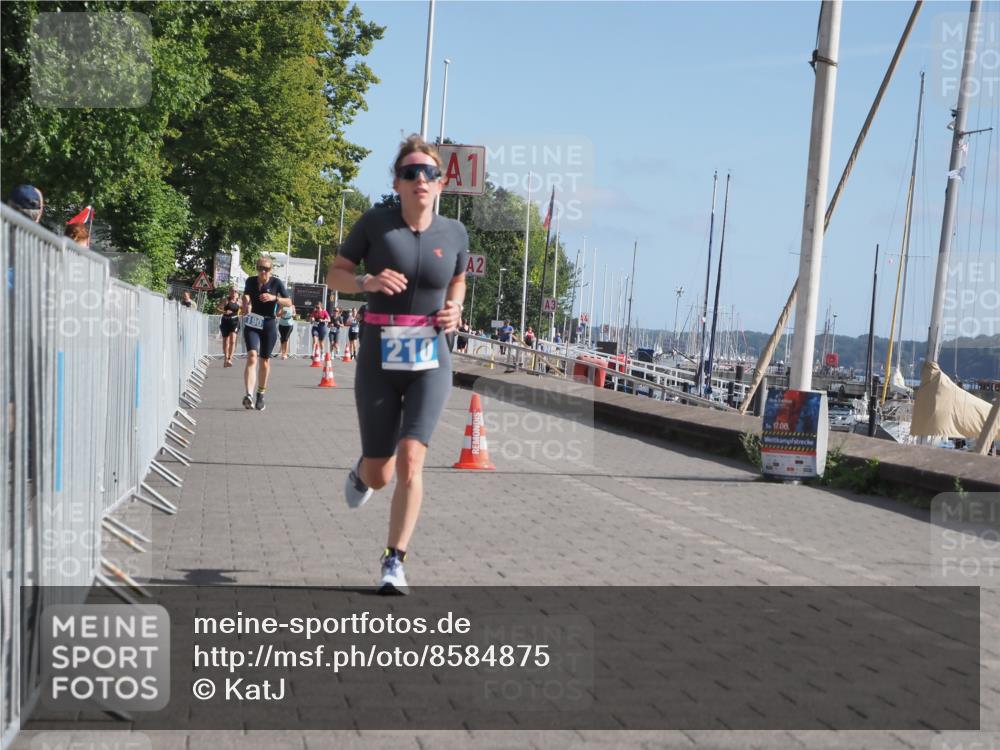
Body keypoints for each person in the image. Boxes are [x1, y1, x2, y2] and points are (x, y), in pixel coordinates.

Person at [327, 134, 468, 595]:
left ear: (441, 183)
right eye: (411, 172)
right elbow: (335, 273)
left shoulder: (455, 234)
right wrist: (366, 280)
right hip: (379, 353)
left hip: (431, 354)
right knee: (381, 473)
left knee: (412, 459)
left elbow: (460, 278)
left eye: (428, 172)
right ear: (398, 182)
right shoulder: (376, 224)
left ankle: (394, 560)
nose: (420, 180)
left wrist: (455, 308)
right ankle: (364, 469)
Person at [241, 258, 290, 411]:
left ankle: (260, 394)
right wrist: (245, 301)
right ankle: (248, 395)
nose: (263, 271)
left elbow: (289, 302)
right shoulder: (250, 281)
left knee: (264, 361)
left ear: (271, 270)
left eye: (266, 269)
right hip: (253, 322)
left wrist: (274, 298)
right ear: (256, 269)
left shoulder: (277, 283)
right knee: (251, 356)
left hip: (268, 324)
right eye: (260, 268)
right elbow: (247, 295)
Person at [217, 288, 242, 367]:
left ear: (237, 293)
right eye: (232, 291)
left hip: (235, 322)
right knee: (226, 341)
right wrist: (224, 312)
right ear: (229, 292)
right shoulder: (226, 300)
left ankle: (229, 359)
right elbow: (217, 309)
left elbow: (245, 309)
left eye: (235, 291)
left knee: (233, 341)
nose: (234, 293)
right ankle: (225, 358)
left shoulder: (239, 301)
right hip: (225, 321)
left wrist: (245, 311)